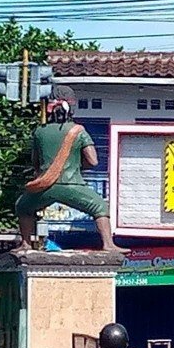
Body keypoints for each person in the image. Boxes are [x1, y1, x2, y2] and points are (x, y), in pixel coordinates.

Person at [15, 85, 115, 251]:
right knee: (100, 207)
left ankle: (25, 243)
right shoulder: (78, 131)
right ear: (72, 108)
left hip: (45, 187)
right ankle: (108, 244)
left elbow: (35, 163)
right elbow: (93, 161)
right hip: (72, 184)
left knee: (23, 207)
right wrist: (76, 167)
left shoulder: (40, 132)